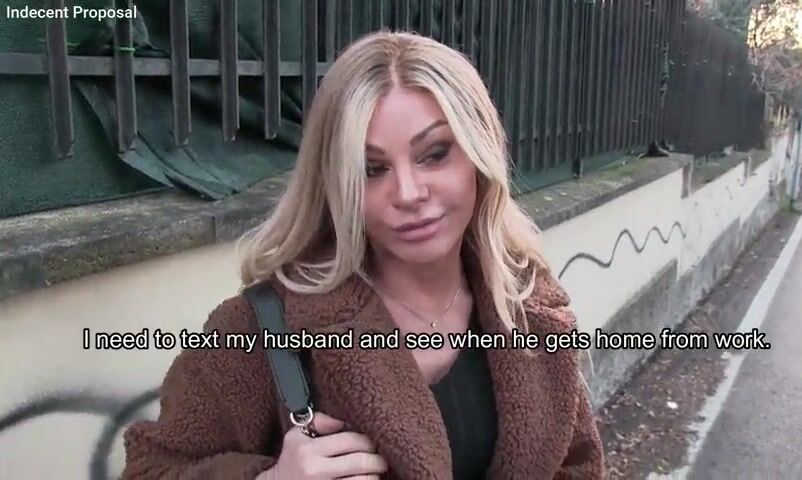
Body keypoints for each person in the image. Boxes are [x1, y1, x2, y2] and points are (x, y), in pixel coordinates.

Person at [120, 30, 605, 480]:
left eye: (435, 153)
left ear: (480, 158)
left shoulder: (529, 307)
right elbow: (151, 470)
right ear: (336, 183)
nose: (409, 193)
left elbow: (578, 466)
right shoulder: (258, 329)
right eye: (371, 169)